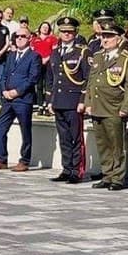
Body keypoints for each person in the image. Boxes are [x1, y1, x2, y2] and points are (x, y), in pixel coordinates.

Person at [80, 22, 128, 190]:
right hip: (98, 106)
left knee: (116, 145)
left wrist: (125, 108)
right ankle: (107, 175)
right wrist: (88, 103)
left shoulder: (126, 58)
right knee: (102, 144)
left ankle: (118, 178)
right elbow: (91, 82)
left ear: (118, 39)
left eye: (109, 36)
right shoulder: (98, 56)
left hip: (114, 107)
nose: (105, 39)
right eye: (103, 36)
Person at [0, 29, 42, 171]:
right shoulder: (11, 55)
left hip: (23, 99)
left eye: (23, 36)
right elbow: (4, 75)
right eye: (16, 36)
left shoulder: (34, 56)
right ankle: (1, 159)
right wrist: (4, 91)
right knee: (0, 126)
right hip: (8, 99)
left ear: (29, 38)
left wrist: (17, 92)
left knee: (25, 130)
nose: (19, 38)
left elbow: (33, 78)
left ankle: (24, 160)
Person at [48, 16, 89, 183]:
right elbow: (51, 78)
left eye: (69, 32)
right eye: (63, 32)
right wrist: (50, 100)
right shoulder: (55, 52)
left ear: (75, 33)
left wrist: (83, 100)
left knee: (75, 138)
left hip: (73, 101)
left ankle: (76, 171)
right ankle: (66, 168)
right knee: (64, 138)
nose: (66, 35)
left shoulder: (82, 53)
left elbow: (87, 78)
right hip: (58, 101)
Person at [32, 20, 57, 110]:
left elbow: (54, 51)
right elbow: (32, 51)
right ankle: (40, 104)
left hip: (49, 64)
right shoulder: (35, 39)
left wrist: (47, 58)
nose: (45, 29)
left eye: (47, 27)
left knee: (48, 84)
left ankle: (48, 103)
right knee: (39, 85)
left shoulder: (53, 39)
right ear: (40, 29)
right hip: (38, 64)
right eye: (43, 27)